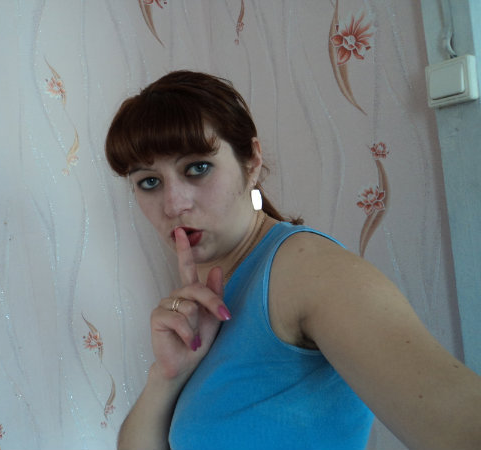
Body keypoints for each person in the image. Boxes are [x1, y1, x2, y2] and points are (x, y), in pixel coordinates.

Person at [104, 70, 481, 450]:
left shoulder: (308, 272)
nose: (173, 205)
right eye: (149, 182)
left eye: (197, 168)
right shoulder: (205, 297)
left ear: (252, 161)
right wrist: (166, 376)